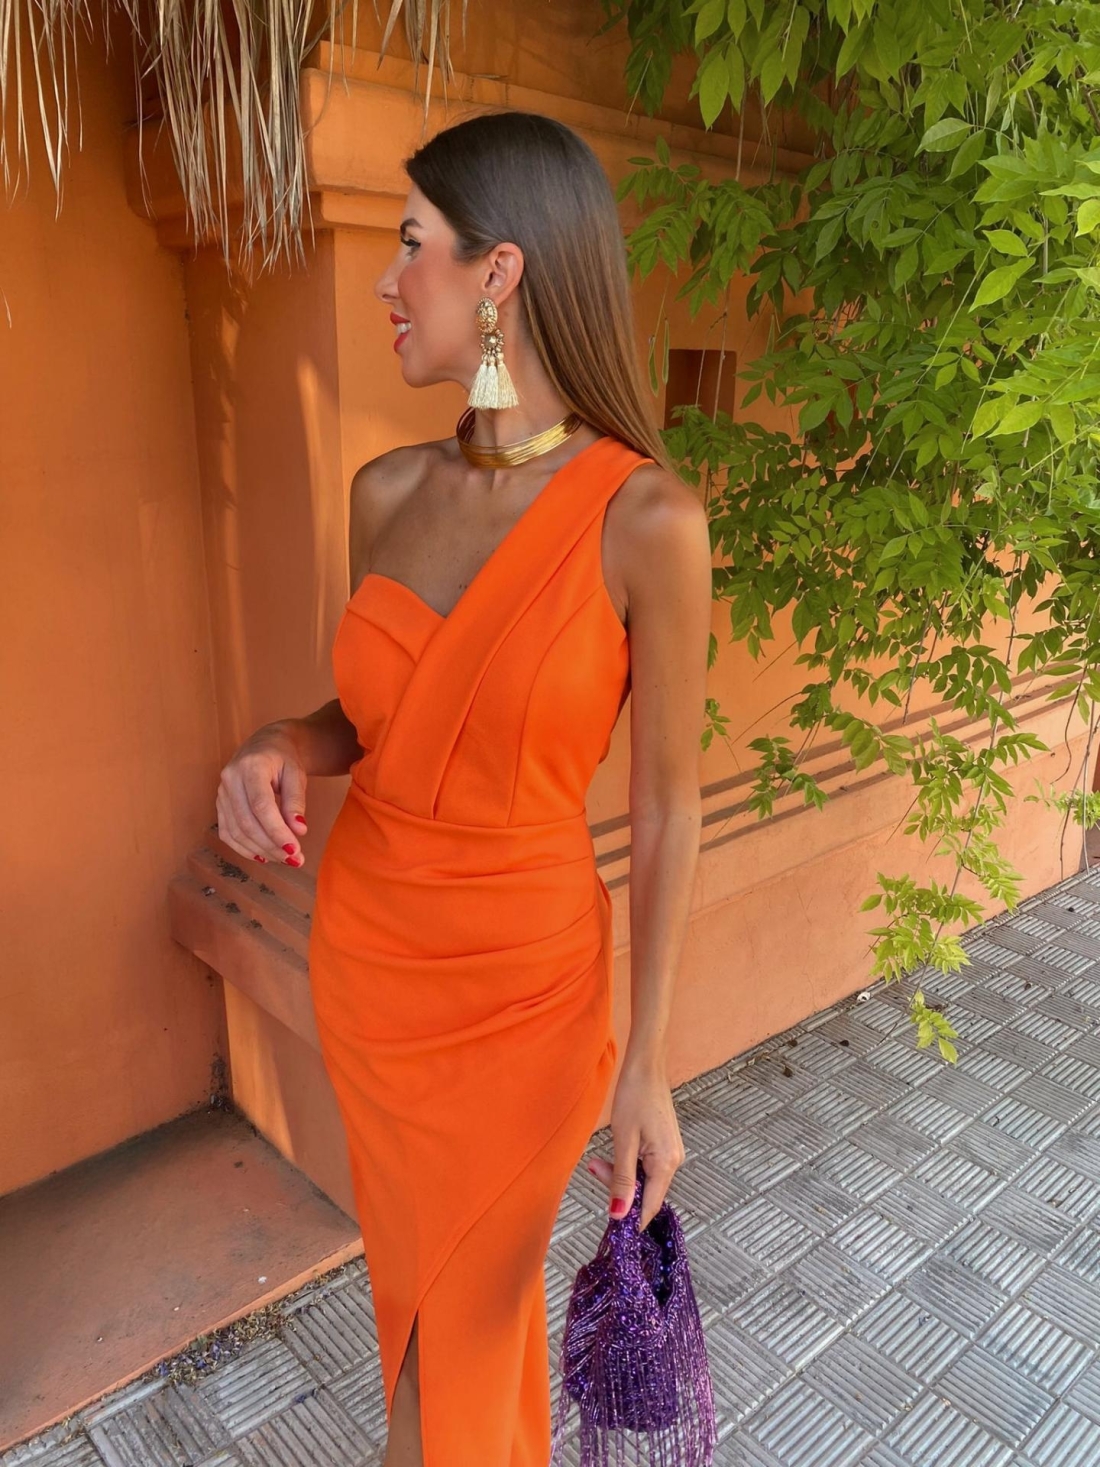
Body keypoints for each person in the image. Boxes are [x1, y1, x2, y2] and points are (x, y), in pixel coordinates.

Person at [214, 109, 712, 1467]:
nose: (386, 281)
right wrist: (280, 740)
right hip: (375, 972)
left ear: (498, 273)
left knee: (458, 1341)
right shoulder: (384, 494)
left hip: (525, 1002)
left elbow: (669, 808)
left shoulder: (648, 522)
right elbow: (383, 719)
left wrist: (648, 1065)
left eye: (411, 245)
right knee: (426, 1318)